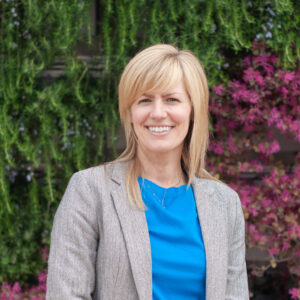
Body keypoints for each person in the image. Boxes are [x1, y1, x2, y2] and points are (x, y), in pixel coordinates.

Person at [46, 44, 249, 300]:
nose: (157, 113)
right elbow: (66, 293)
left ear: (193, 110)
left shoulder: (225, 203)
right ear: (129, 112)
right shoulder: (90, 190)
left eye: (171, 99)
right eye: (144, 100)